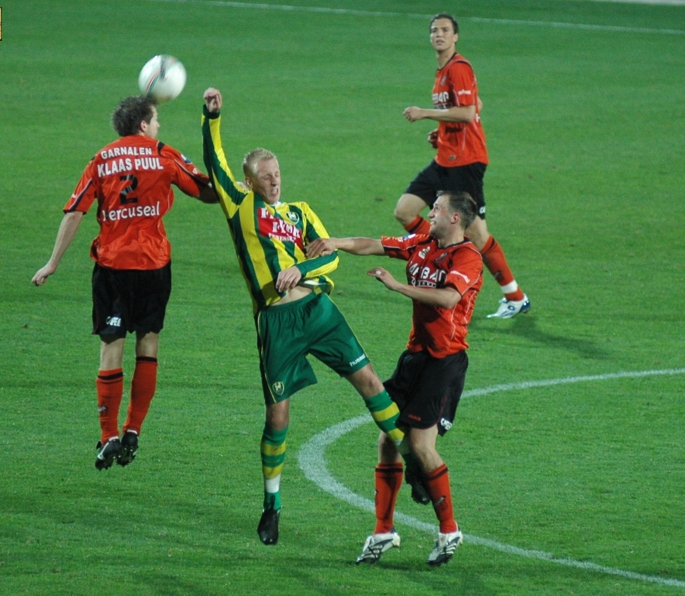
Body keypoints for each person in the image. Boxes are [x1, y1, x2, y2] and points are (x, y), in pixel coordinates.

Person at [200, 87, 409, 546]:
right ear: (250, 181)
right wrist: (211, 118)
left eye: (277, 173)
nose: (275, 181)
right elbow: (213, 164)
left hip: (318, 309)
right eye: (266, 176)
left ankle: (414, 464)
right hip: (276, 323)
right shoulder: (239, 205)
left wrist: (302, 267)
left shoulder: (300, 211)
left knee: (372, 382)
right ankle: (271, 507)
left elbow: (329, 256)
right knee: (277, 417)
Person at [32, 95, 217, 470]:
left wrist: (53, 262)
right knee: (147, 345)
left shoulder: (101, 159)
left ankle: (108, 435)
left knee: (110, 348)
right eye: (157, 119)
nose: (160, 125)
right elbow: (205, 192)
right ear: (144, 125)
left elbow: (75, 212)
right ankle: (134, 429)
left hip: (113, 266)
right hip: (153, 265)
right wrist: (235, 188)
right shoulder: (163, 154)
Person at [307, 190, 483, 567]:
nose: (428, 213)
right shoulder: (422, 241)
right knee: (387, 439)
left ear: (455, 218)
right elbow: (373, 244)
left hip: (445, 362)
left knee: (420, 445)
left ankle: (449, 530)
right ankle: (383, 531)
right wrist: (332, 242)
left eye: (436, 209)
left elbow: (449, 299)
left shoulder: (467, 256)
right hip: (415, 357)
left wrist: (397, 287)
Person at [394, 12, 529, 320]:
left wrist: (426, 113)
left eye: (445, 30)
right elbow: (474, 106)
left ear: (455, 37)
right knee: (404, 210)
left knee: (478, 235)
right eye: (434, 30)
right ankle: (438, 255)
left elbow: (468, 113)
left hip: (466, 162)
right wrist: (441, 132)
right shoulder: (442, 71)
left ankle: (515, 296)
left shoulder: (458, 68)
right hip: (445, 158)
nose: (438, 34)